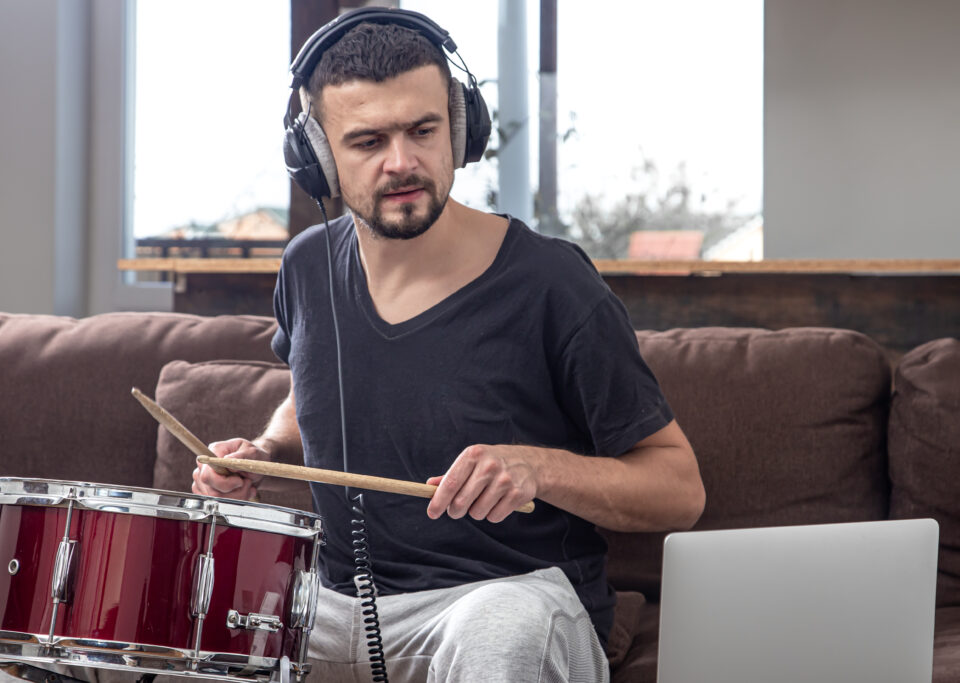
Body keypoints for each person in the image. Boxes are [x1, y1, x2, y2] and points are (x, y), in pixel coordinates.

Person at [193, 8, 705, 682]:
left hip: (501, 597)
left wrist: (538, 469)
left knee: (503, 630)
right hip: (336, 605)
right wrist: (266, 450)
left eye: (423, 130)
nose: (402, 161)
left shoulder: (551, 282)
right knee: (195, 615)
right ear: (317, 158)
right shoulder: (306, 265)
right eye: (368, 140)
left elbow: (679, 487)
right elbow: (308, 389)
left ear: (461, 130)